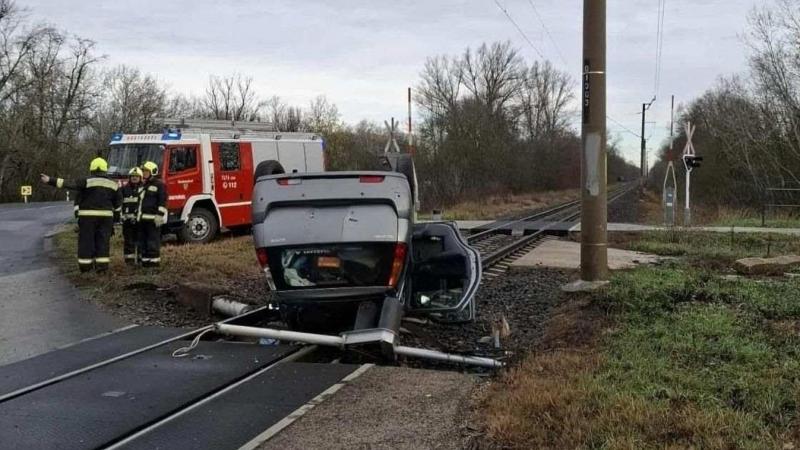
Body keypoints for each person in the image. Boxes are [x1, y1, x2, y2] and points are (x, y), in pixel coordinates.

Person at [40, 157, 121, 273]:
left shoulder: (86, 181)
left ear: (92, 169)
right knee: (103, 242)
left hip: (87, 218)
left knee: (86, 242)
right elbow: (118, 204)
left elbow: (68, 184)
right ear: (105, 169)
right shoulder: (113, 184)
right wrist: (115, 220)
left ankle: (86, 268)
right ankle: (102, 268)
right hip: (105, 219)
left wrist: (49, 180)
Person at [138, 161, 167, 267]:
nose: (144, 173)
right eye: (143, 171)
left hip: (153, 219)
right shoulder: (143, 185)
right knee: (143, 242)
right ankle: (145, 262)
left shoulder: (159, 185)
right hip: (142, 219)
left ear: (152, 172)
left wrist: (159, 215)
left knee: (152, 241)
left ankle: (154, 263)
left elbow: (162, 201)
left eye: (146, 171)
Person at [121, 167, 144, 264]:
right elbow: (119, 204)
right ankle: (129, 262)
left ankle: (140, 260)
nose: (134, 178)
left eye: (137, 176)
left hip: (140, 221)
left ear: (140, 178)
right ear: (129, 178)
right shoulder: (123, 189)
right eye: (132, 176)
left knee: (140, 241)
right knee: (128, 242)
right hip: (127, 222)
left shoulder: (144, 189)